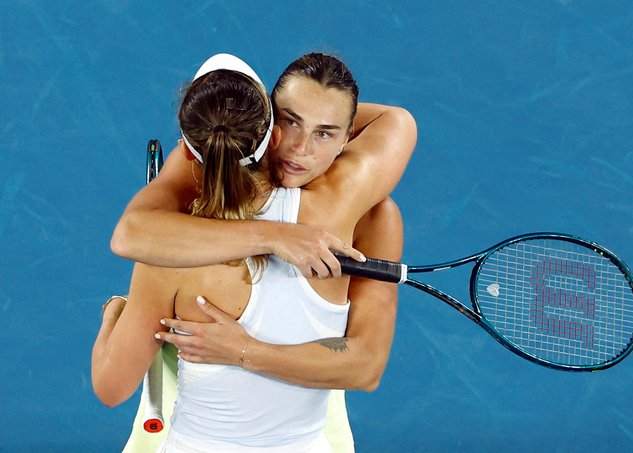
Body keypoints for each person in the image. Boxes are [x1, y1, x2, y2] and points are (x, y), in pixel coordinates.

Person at [94, 53, 415, 452]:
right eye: (291, 121)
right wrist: (277, 236)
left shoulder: (166, 244)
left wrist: (116, 311)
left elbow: (111, 386)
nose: (300, 149)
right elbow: (398, 121)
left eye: (324, 132)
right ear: (272, 131)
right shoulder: (362, 208)